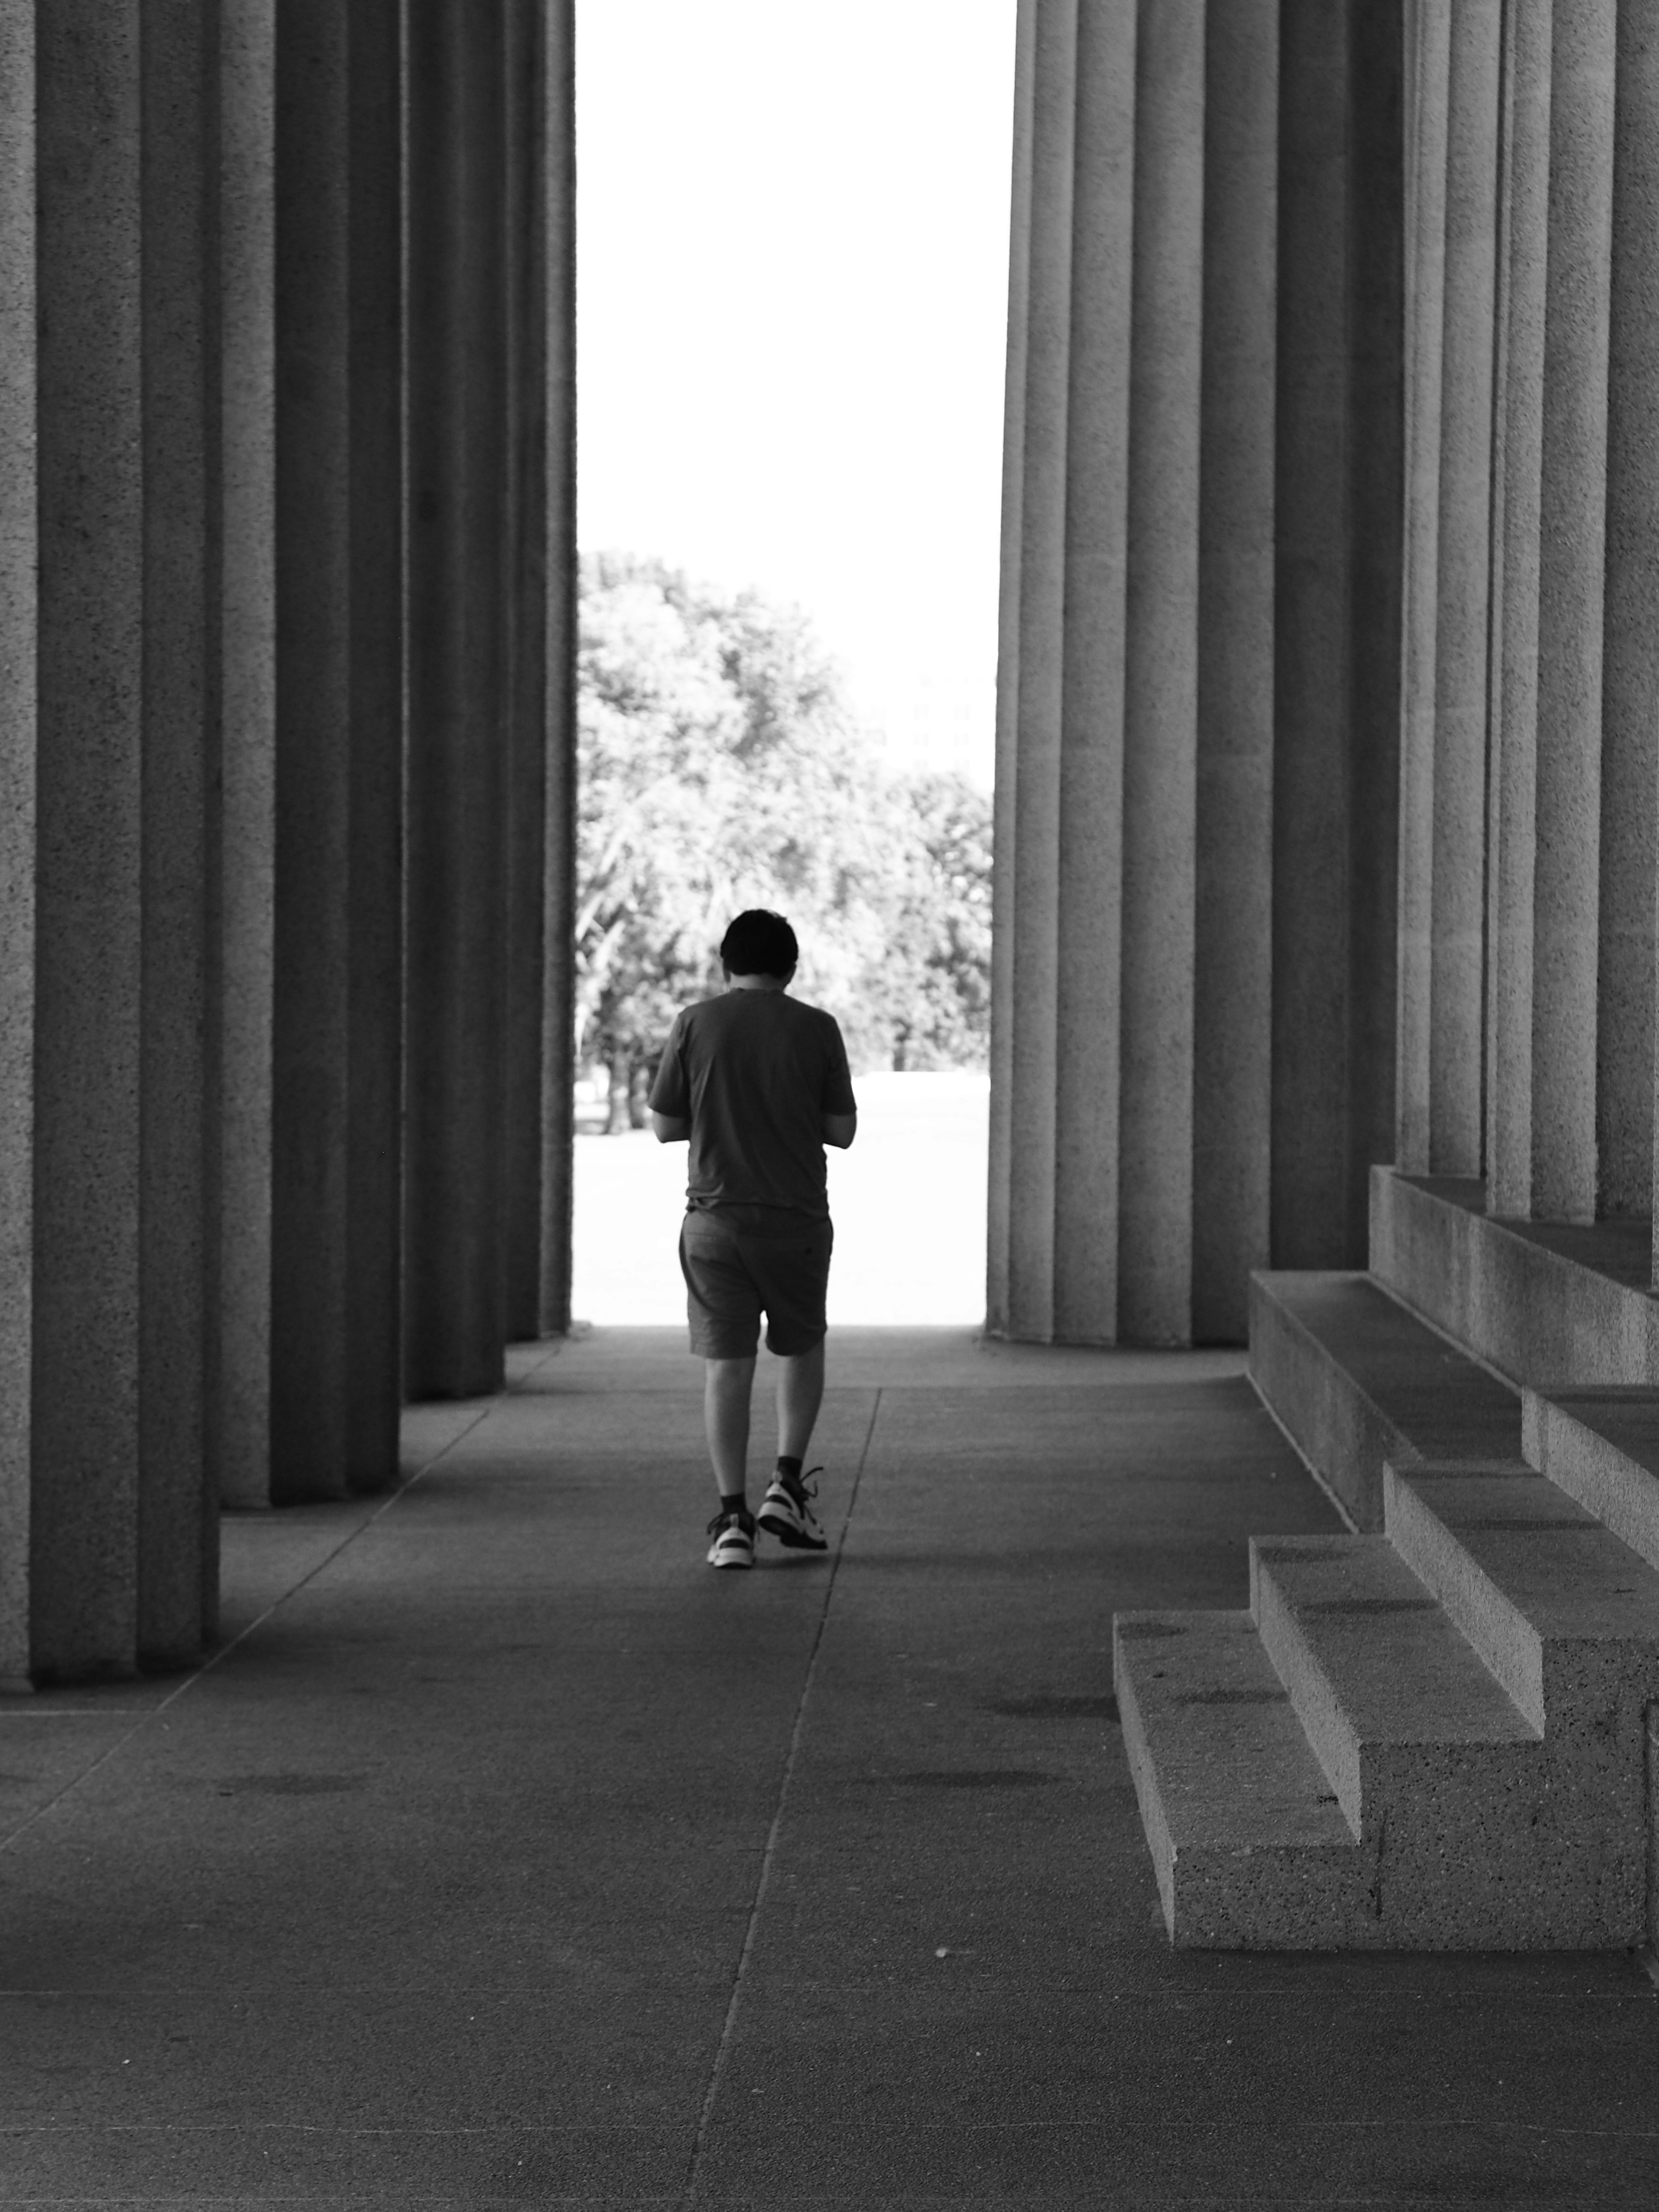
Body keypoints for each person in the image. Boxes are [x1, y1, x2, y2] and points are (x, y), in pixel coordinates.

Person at [648, 909, 858, 1570]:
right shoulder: (817, 1028)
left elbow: (664, 1126)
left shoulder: (695, 1023)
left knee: (727, 1366)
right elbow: (842, 1132)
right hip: (796, 1222)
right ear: (791, 969)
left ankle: (733, 1522)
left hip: (714, 1223)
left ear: (725, 965)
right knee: (801, 1347)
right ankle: (787, 1486)